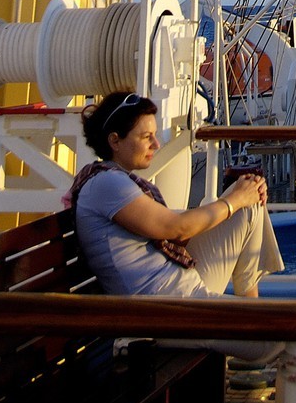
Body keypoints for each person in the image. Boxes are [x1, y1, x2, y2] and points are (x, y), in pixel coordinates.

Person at [69, 90, 283, 300]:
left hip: (181, 288)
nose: (156, 144)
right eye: (146, 137)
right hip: (168, 308)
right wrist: (234, 200)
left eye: (154, 135)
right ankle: (252, 320)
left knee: (249, 202)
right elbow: (176, 229)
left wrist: (244, 195)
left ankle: (251, 310)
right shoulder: (108, 184)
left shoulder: (113, 179)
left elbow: (176, 230)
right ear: (115, 141)